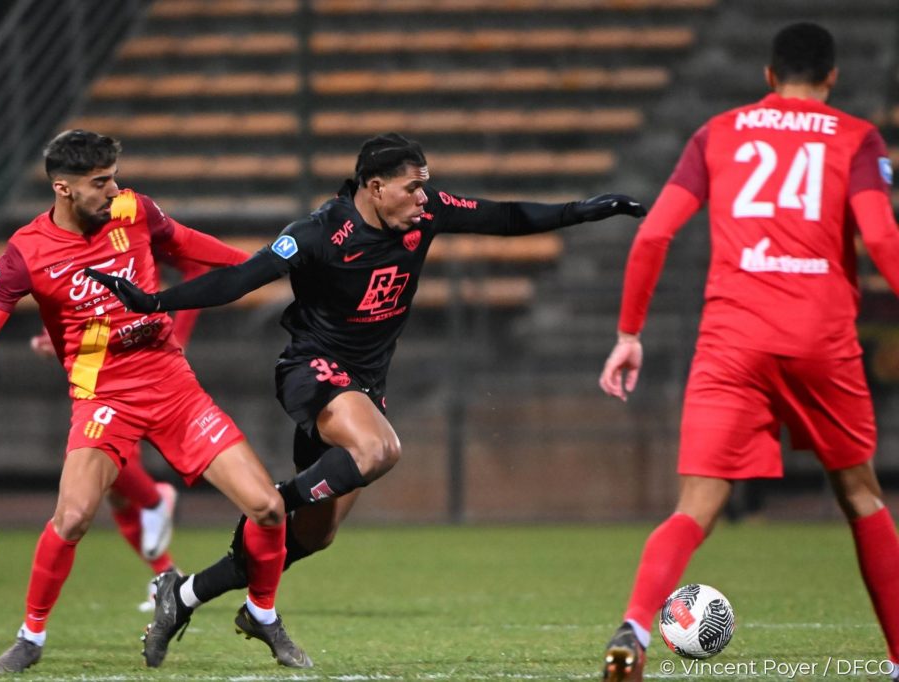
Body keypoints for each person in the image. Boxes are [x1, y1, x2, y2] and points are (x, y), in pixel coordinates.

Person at [88, 131, 646, 664]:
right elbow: (242, 279)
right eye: (412, 187)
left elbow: (502, 217)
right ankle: (276, 501)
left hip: (364, 387)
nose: (423, 197)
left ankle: (184, 594)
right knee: (379, 450)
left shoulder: (426, 213)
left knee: (314, 536)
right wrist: (154, 302)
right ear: (375, 188)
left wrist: (580, 211)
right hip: (311, 372)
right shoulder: (317, 233)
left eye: (425, 186)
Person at [0, 129, 311, 674]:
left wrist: (274, 266)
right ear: (63, 188)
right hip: (103, 399)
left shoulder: (135, 210)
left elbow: (193, 247)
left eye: (114, 178)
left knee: (269, 508)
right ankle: (30, 637)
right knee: (72, 518)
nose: (114, 190)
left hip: (173, 387)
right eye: (100, 182)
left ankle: (262, 613)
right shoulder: (26, 253)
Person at [597, 22, 899, 681]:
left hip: (733, 339)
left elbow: (652, 236)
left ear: (768, 76)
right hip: (820, 336)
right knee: (861, 496)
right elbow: (881, 237)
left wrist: (628, 334)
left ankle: (636, 625)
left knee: (695, 507)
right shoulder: (856, 137)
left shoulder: (718, 133)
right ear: (832, 77)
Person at [29, 254, 214, 611]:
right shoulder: (68, 242)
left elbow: (198, 265)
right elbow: (82, 300)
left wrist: (180, 333)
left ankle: (155, 500)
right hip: (101, 355)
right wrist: (53, 338)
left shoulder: (134, 229)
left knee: (101, 462)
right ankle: (167, 576)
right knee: (113, 487)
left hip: (147, 355)